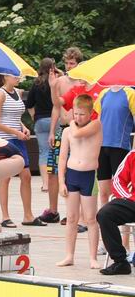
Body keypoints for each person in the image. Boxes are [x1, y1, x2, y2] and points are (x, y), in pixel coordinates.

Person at [0, 74, 44, 227]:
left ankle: (28, 216)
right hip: (4, 140)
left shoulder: (17, 92)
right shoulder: (0, 93)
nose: (18, 77)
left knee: (26, 176)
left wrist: (23, 127)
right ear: (5, 77)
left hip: (18, 140)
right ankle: (5, 217)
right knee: (5, 177)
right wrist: (15, 132)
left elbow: (14, 117)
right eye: (14, 75)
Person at [56, 95, 102, 269]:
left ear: (90, 113)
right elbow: (62, 158)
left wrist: (71, 123)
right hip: (72, 175)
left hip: (89, 176)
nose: (78, 117)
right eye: (75, 114)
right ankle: (69, 255)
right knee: (71, 218)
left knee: (90, 218)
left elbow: (77, 132)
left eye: (82, 114)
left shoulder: (96, 125)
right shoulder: (67, 132)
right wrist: (61, 182)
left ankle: (93, 257)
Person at [40, 47, 83, 223]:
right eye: (67, 63)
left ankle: (72, 212)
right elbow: (56, 107)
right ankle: (53, 210)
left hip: (78, 130)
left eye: (72, 63)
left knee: (72, 172)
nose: (69, 66)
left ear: (79, 64)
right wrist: (52, 131)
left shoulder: (83, 82)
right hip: (62, 128)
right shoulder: (60, 81)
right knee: (53, 170)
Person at [97, 148, 135, 275]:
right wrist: (128, 197)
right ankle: (120, 262)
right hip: (132, 201)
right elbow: (118, 180)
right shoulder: (132, 155)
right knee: (105, 214)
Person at [25, 58, 55, 192]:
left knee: (44, 152)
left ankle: (46, 184)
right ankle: (58, 182)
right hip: (55, 120)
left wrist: (33, 116)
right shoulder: (55, 82)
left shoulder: (36, 83)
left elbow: (29, 104)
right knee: (57, 151)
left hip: (40, 120)